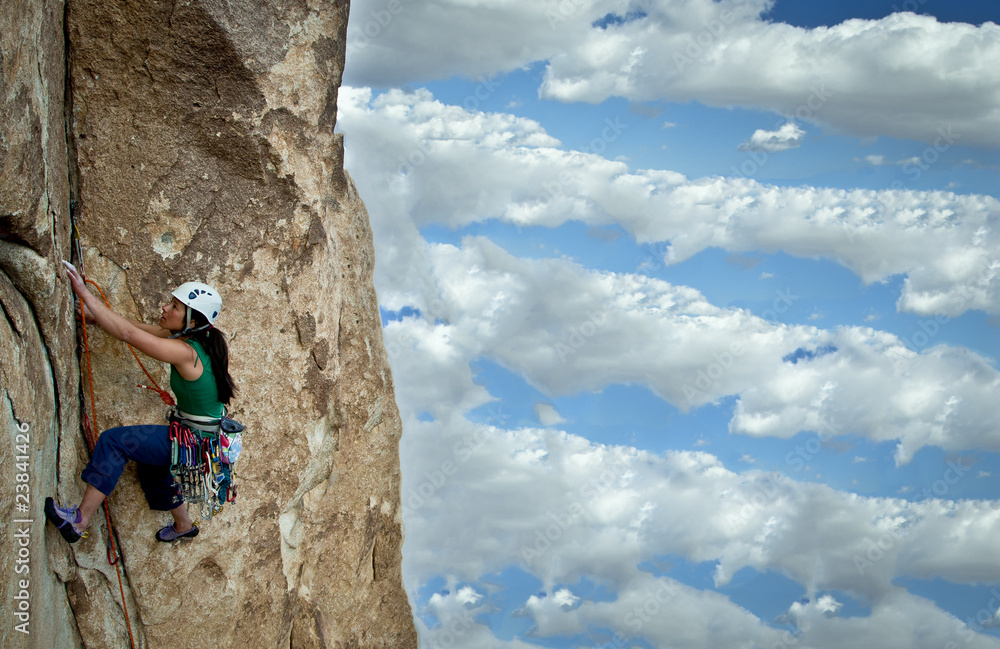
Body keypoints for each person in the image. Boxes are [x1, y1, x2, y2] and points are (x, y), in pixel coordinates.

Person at [45, 263, 237, 543]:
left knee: (115, 441)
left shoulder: (185, 352)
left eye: (174, 307)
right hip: (204, 438)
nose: (165, 308)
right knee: (152, 463)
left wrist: (85, 294)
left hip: (196, 440)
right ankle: (184, 525)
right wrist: (95, 316)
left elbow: (130, 336)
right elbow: (139, 329)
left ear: (192, 321)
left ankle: (78, 520)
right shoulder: (201, 339)